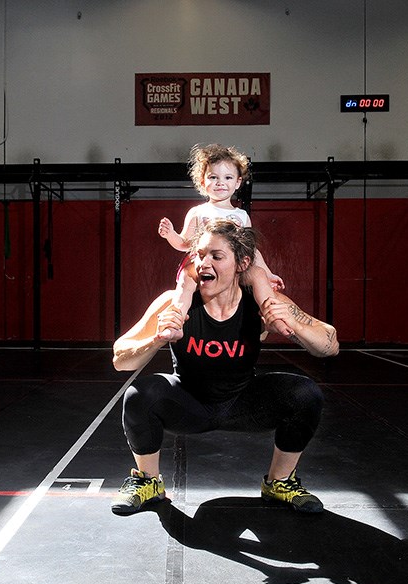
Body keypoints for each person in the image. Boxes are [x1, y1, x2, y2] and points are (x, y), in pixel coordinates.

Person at [111, 219, 339, 516]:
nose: (204, 263)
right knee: (141, 393)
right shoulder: (174, 303)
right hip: (189, 403)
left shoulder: (259, 303)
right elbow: (120, 359)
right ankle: (148, 482)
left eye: (216, 257)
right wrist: (156, 340)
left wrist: (293, 327)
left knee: (305, 393)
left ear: (241, 263)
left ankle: (279, 482)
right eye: (199, 255)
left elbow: (330, 344)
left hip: (242, 403)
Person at [157, 143, 291, 340]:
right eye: (213, 177)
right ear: (202, 182)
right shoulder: (198, 212)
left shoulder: (241, 216)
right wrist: (171, 235)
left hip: (233, 266)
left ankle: (273, 317)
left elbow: (251, 250)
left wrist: (268, 273)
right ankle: (175, 322)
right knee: (186, 279)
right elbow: (184, 243)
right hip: (202, 263)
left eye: (227, 177)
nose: (221, 182)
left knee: (258, 275)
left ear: (238, 183)